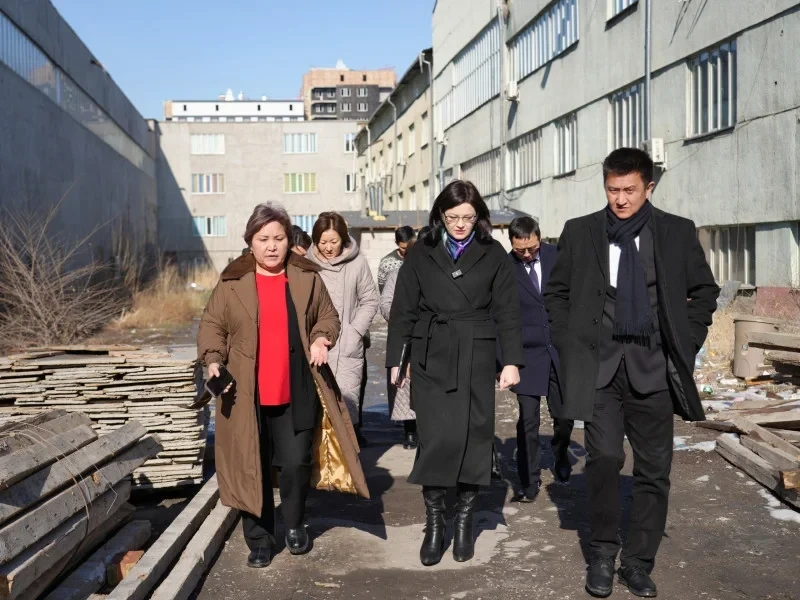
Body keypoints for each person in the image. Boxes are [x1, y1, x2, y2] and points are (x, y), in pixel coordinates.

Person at [544, 148, 719, 598]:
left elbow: (704, 291)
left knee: (654, 470)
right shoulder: (581, 231)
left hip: (654, 369)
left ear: (649, 187)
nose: (620, 199)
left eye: (630, 190)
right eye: (612, 190)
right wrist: (568, 342)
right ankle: (602, 554)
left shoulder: (676, 232)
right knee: (603, 459)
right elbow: (556, 293)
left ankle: (638, 562)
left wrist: (687, 341)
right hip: (600, 369)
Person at [197, 203, 369, 569]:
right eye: (264, 239)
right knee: (251, 464)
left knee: (295, 463)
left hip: (297, 388)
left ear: (289, 240)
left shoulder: (306, 275)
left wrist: (321, 339)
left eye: (279, 238)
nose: (272, 246)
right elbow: (213, 326)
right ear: (250, 242)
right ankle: (259, 539)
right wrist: (213, 360)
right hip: (246, 394)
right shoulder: (232, 281)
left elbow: (327, 316)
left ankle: (294, 523)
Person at [386, 180, 523, 567]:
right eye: (452, 217)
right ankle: (435, 523)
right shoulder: (421, 251)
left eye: (468, 217)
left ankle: (464, 521)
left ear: (479, 217)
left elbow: (508, 310)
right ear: (440, 216)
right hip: (431, 352)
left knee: (474, 438)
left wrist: (511, 361)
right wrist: (397, 358)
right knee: (436, 439)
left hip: (477, 352)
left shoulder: (493, 253)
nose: (460, 224)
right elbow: (403, 308)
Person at [499, 216, 574, 503]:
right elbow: (499, 315)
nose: (527, 254)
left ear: (539, 238)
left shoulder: (558, 257)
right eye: (521, 250)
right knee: (528, 421)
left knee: (564, 415)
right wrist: (504, 361)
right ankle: (528, 481)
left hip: (560, 350)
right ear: (512, 244)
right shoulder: (505, 267)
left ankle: (560, 453)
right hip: (526, 355)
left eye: (532, 248)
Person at [307, 212, 379, 435]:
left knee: (346, 411)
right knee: (315, 413)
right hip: (314, 346)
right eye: (323, 242)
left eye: (334, 241)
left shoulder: (357, 263)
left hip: (347, 347)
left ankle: (348, 457)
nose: (328, 248)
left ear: (343, 238)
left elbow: (370, 299)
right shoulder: (307, 265)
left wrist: (354, 331)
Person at [378, 226, 429, 450]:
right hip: (405, 337)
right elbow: (386, 302)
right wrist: (400, 316)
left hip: (429, 336)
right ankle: (409, 430)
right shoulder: (396, 274)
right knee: (404, 386)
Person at [377, 225, 416, 293]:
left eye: (410, 247)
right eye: (403, 248)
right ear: (396, 243)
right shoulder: (386, 263)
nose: (407, 251)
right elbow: (383, 290)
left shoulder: (419, 259)